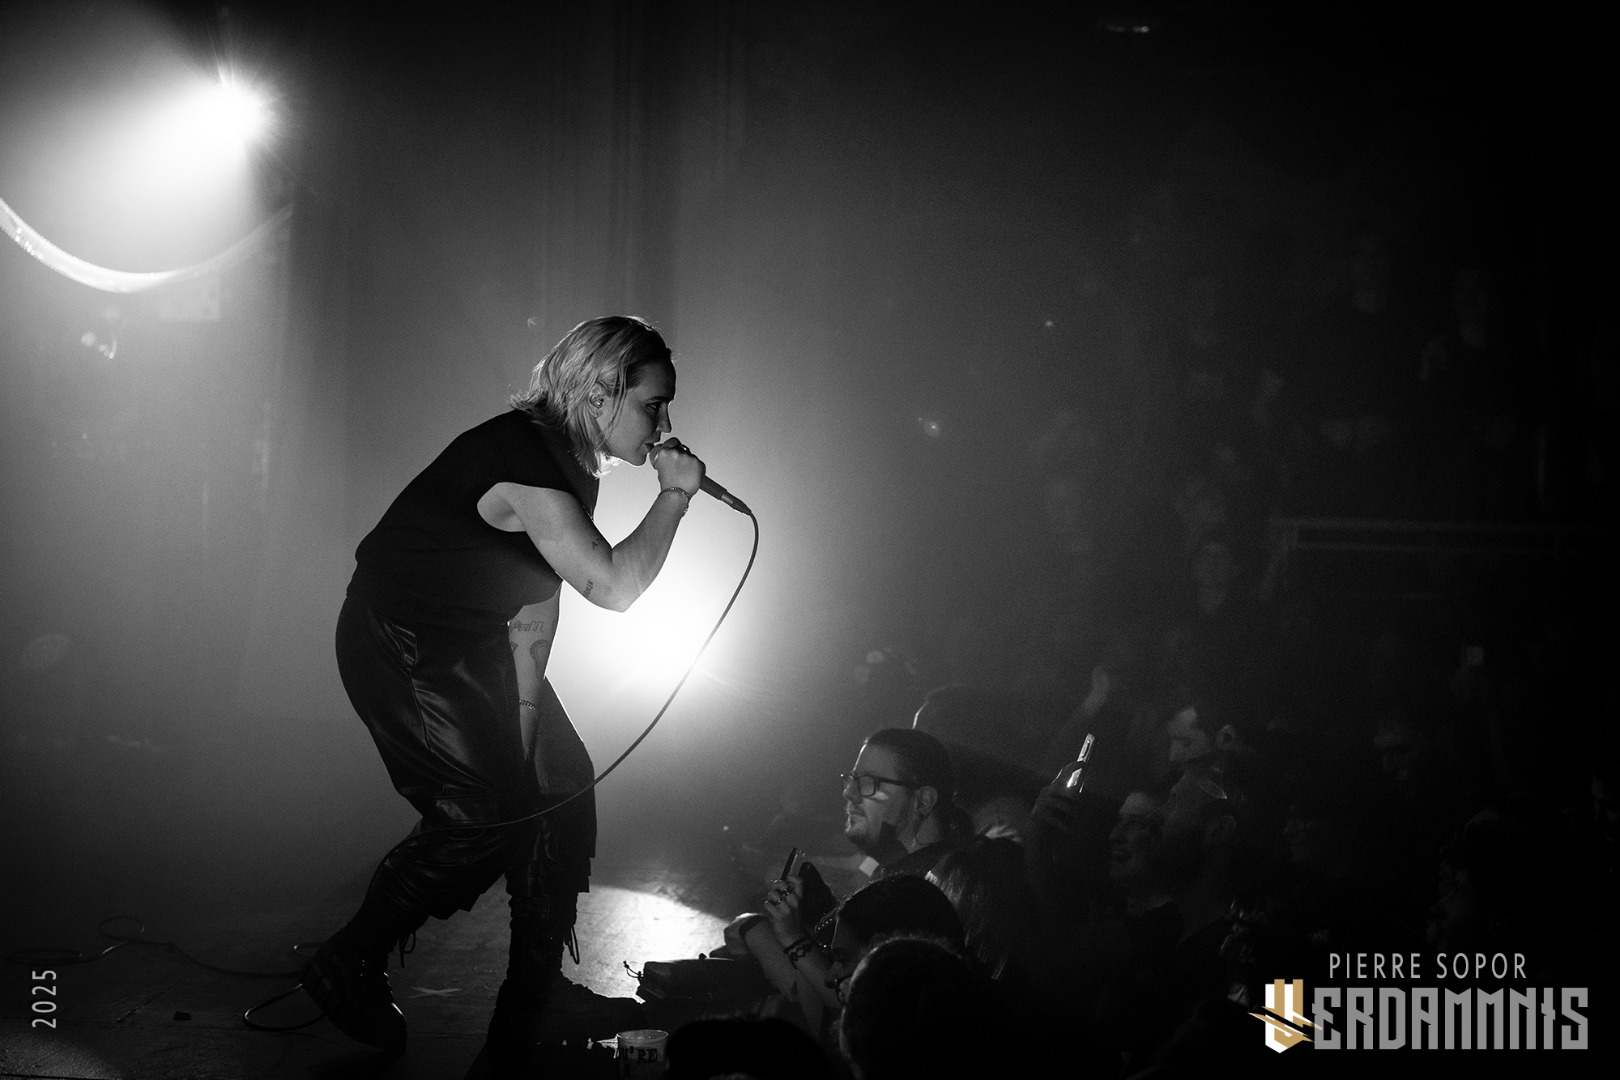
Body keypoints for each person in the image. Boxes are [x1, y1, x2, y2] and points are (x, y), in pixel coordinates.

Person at [299, 316, 706, 1068]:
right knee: (479, 817)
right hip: (403, 642)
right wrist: (675, 497)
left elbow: (534, 599)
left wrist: (523, 717)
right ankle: (347, 958)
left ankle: (533, 1003)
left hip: (475, 640)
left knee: (557, 785)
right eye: (653, 405)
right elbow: (612, 587)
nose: (664, 426)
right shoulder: (526, 458)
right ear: (600, 390)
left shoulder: (567, 461)